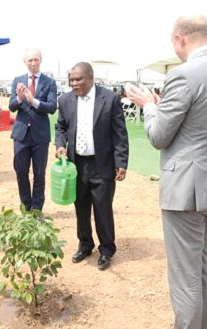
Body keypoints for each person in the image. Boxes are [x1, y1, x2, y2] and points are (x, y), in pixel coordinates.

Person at [126, 14, 207, 329]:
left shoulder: (183, 74)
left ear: (180, 39)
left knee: (185, 278)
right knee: (203, 268)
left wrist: (148, 107)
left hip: (186, 190)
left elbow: (160, 136)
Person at [55, 62, 129, 271]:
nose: (74, 83)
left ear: (90, 78)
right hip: (76, 164)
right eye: (71, 79)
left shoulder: (110, 99)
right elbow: (60, 126)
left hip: (102, 164)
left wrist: (121, 161)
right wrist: (60, 145)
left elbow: (120, 133)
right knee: (80, 206)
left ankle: (107, 249)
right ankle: (85, 245)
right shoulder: (66, 100)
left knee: (102, 207)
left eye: (78, 79)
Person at [9, 48, 57, 212]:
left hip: (40, 135)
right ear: (25, 62)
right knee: (21, 172)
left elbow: (52, 107)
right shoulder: (17, 80)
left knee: (39, 174)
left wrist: (33, 100)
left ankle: (36, 210)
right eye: (30, 60)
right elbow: (11, 106)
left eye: (36, 59)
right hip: (21, 134)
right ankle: (25, 208)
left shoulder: (49, 82)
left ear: (41, 60)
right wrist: (19, 98)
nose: (33, 63)